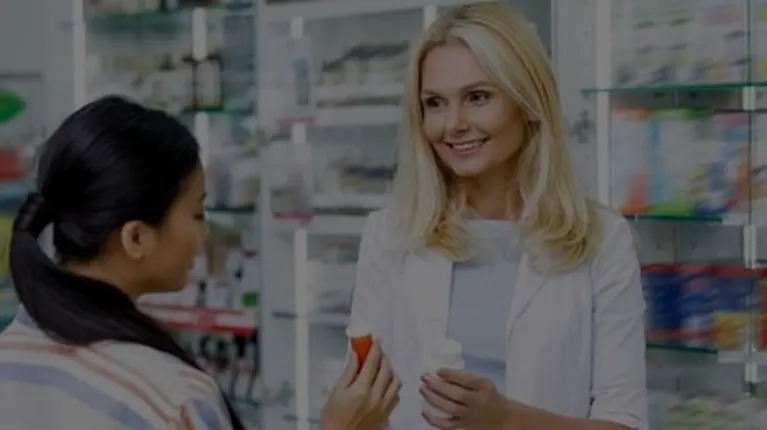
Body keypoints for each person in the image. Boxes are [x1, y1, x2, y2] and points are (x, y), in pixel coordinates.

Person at [0, 96, 398, 430]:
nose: (204, 234)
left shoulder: (12, 351)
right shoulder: (171, 398)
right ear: (136, 238)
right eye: (196, 213)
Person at [347, 3, 648, 430]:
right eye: (435, 103)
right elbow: (363, 409)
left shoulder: (600, 239)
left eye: (478, 97)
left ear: (528, 102)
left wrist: (504, 418)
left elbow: (624, 422)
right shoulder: (390, 234)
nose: (453, 124)